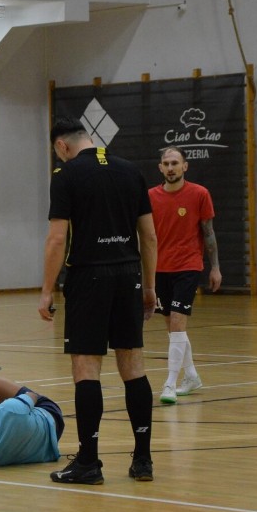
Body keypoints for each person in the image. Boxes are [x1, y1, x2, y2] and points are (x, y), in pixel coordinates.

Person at [38, 117, 158, 484]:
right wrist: (149, 287)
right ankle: (143, 460)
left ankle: (89, 462)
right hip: (128, 275)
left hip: (89, 276)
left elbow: (57, 239)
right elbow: (149, 237)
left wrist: (46, 290)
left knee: (86, 369)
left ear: (61, 146)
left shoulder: (66, 175)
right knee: (133, 366)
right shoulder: (130, 170)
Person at [149, 146, 221, 404]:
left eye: (175, 163)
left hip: (188, 267)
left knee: (178, 324)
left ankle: (169, 383)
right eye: (166, 163)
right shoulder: (150, 196)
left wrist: (215, 267)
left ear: (184, 166)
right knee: (172, 329)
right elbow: (145, 236)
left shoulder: (199, 194)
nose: (170, 167)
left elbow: (209, 232)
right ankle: (191, 375)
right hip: (159, 269)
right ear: (160, 168)